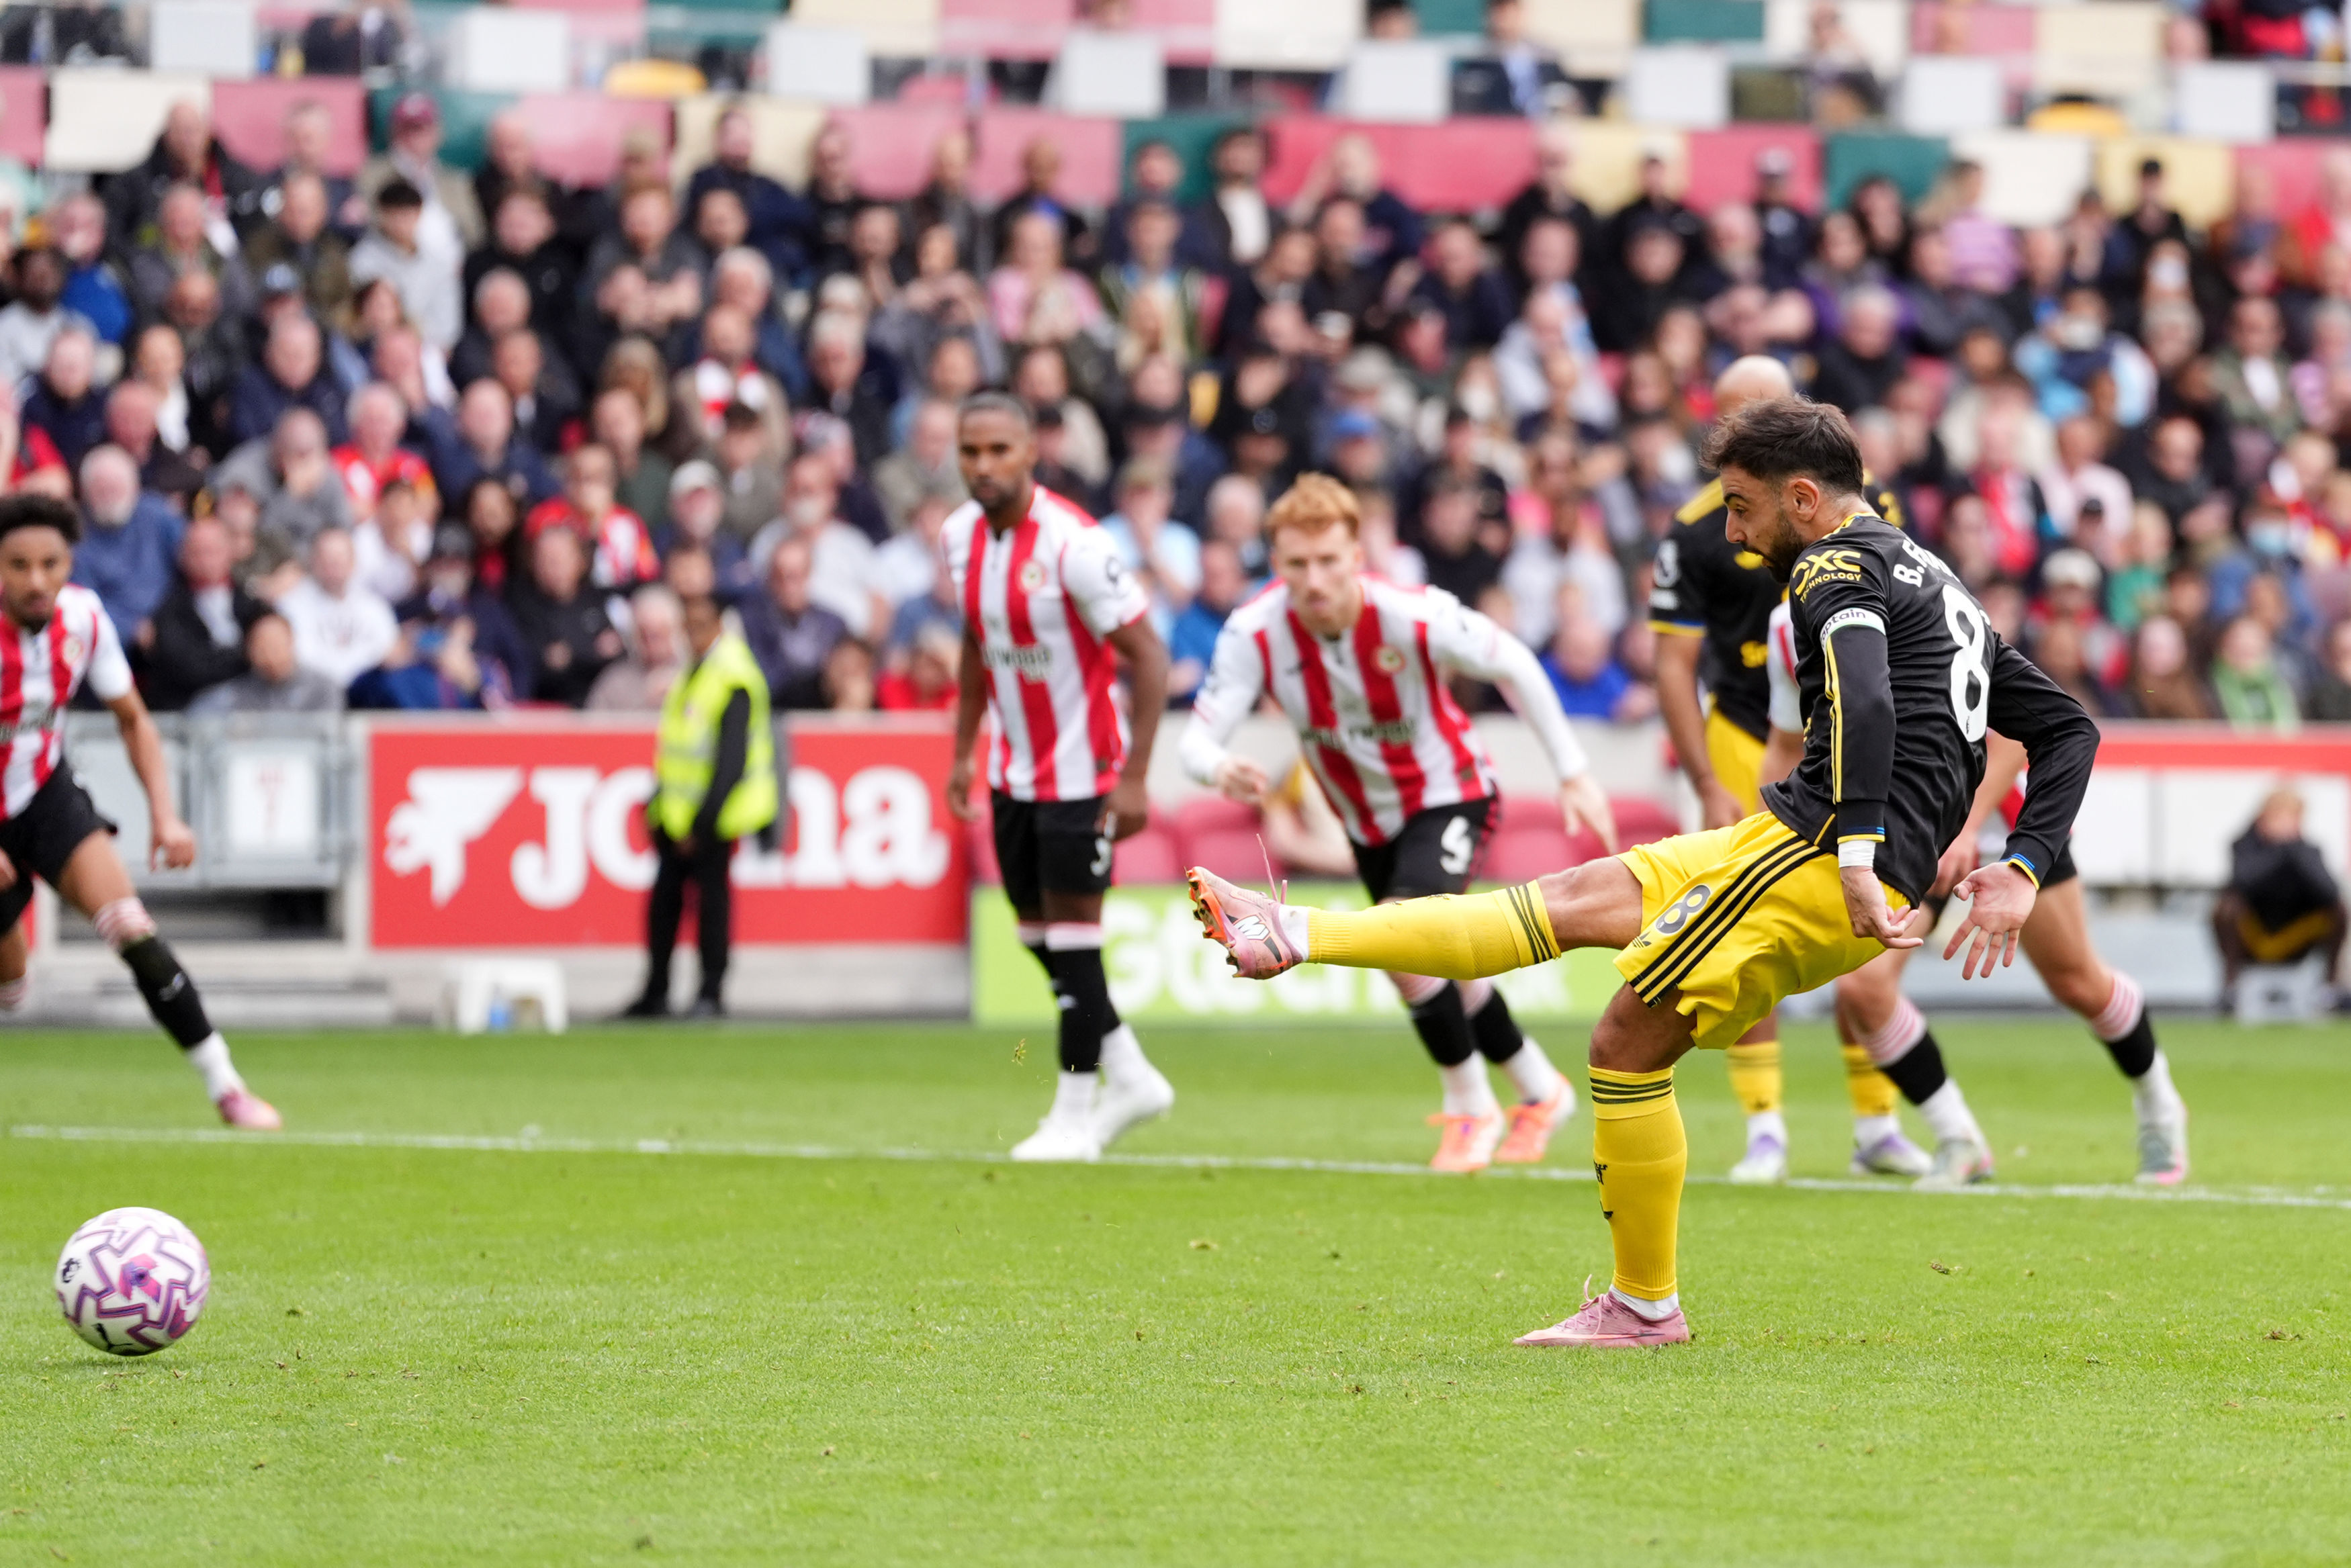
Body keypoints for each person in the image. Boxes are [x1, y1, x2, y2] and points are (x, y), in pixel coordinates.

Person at [1186, 398, 2100, 1348]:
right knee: (1569, 899)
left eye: (1743, 508)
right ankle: (1296, 932)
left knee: (1623, 1043)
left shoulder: (1832, 565)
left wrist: (1868, 853)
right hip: (1791, 836)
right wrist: (2027, 863)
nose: (1737, 534)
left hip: (1822, 855)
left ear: (1802, 496)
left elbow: (1866, 701)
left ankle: (1643, 1303)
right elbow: (2068, 724)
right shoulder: (1933, 573)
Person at [1180, 475, 1615, 1171]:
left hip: (1450, 792)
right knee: (1440, 957)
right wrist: (1216, 768)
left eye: (1328, 560)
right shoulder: (1254, 631)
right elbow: (1195, 740)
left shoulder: (1413, 615)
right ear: (1275, 562)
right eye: (1296, 564)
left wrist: (1571, 770)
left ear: (1357, 554)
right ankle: (1539, 1087)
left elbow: (1515, 663)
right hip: (1366, 818)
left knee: (1398, 937)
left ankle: (1470, 1104)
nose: (1314, 579)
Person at [1758, 602, 2191, 1187]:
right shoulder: (1790, 626)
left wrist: (1967, 826)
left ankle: (2160, 1104)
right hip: (1910, 827)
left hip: (2000, 824)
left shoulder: (1911, 603)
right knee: (1863, 988)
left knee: (2077, 981)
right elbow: (1788, 741)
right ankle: (1957, 1136)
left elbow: (2018, 734)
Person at [1647, 356, 1924, 1184]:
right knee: (1736, 924)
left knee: (1860, 921)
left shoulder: (1860, 500)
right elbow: (1671, 663)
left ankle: (1876, 1119)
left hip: (1846, 721)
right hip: (1748, 729)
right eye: (1742, 416)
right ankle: (1763, 1124)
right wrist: (1703, 775)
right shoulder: (1698, 527)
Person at [943, 392, 1174, 1162]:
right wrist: (962, 750)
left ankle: (1074, 1116)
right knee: (1038, 939)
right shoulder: (958, 539)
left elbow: (1148, 656)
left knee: (1074, 943)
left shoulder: (1076, 544)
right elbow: (978, 646)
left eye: (998, 450)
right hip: (1013, 775)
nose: (983, 465)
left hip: (1084, 774)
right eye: (970, 451)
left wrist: (1135, 777)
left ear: (1030, 451)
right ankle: (1131, 1072)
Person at [0, 494, 281, 1128]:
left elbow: (133, 719)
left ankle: (227, 1086)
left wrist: (166, 814)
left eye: (50, 563)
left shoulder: (85, 620)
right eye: (18, 565)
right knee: (11, 990)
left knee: (131, 927)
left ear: (71, 562)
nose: (36, 580)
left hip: (44, 795)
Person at [622, 594, 777, 1020]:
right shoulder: (699, 672)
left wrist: (702, 821)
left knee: (711, 906)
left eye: (698, 625)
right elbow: (679, 748)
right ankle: (657, 989)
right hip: (679, 814)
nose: (691, 635)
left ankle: (710, 991)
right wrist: (660, 805)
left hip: (713, 817)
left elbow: (731, 759)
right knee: (664, 905)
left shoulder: (732, 676)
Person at [2213, 789, 2348, 1007]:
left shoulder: (2308, 852)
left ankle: (2330, 986)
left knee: (2338, 910)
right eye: (2279, 818)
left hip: (2295, 939)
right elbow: (2241, 882)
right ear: (2263, 819)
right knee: (2227, 907)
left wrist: (2294, 853)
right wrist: (2279, 852)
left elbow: (2330, 893)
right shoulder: (2243, 847)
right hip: (2255, 938)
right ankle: (2231, 986)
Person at [189, 612, 346, 714]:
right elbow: (199, 715)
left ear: (291, 642)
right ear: (249, 651)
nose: (270, 654)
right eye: (261, 647)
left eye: (275, 645)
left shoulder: (322, 689)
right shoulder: (235, 695)